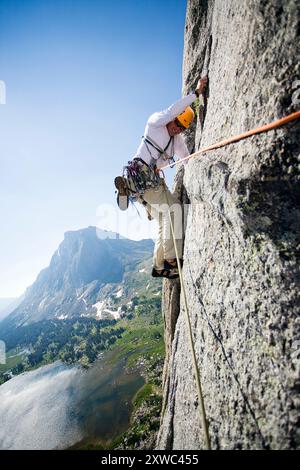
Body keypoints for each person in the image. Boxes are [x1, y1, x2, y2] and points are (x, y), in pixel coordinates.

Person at [115, 77, 208, 279]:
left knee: (161, 220)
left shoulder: (177, 141)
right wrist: (196, 94)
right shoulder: (156, 122)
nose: (177, 129)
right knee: (174, 210)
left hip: (144, 188)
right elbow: (174, 109)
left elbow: (186, 159)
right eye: (177, 124)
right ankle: (172, 259)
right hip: (144, 178)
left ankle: (159, 266)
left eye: (182, 128)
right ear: (173, 119)